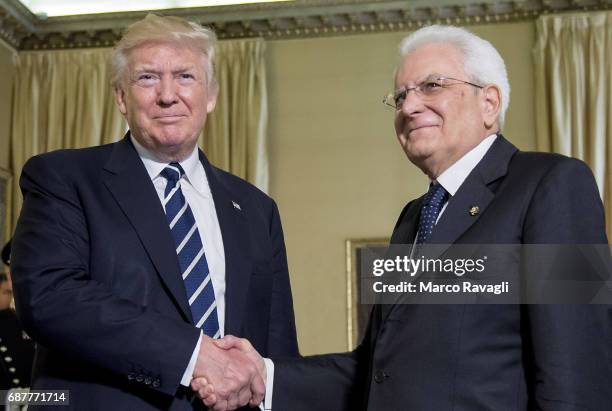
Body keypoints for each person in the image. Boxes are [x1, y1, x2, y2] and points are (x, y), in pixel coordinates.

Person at [194, 25, 612, 410]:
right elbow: (378, 368)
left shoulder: (553, 183)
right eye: (400, 96)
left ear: (489, 102)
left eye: (432, 86)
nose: (410, 106)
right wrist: (264, 377)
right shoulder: (413, 219)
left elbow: (578, 370)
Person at [11, 14, 298, 410]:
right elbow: (49, 297)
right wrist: (194, 354)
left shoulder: (256, 208)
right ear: (121, 97)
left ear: (210, 95)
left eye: (185, 76)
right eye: (147, 78)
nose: (167, 95)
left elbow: (276, 345)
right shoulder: (63, 178)